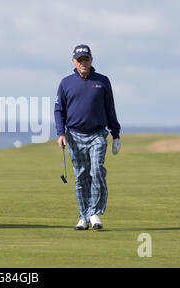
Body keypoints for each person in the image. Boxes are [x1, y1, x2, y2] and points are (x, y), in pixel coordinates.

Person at [54, 44, 121, 230]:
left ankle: (94, 213)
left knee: (97, 170)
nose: (84, 63)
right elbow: (59, 110)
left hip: (98, 133)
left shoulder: (102, 81)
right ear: (74, 62)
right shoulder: (66, 83)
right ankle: (84, 216)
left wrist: (116, 135)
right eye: (80, 60)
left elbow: (110, 109)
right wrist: (60, 133)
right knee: (81, 175)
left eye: (87, 59)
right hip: (74, 135)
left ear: (92, 60)